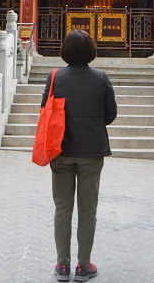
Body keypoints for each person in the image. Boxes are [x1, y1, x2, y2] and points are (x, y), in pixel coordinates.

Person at [42, 29, 117, 282]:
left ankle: (63, 266)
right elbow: (110, 115)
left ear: (65, 50)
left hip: (60, 151)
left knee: (62, 209)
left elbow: (44, 111)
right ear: (90, 51)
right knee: (88, 210)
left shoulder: (55, 77)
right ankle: (84, 266)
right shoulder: (102, 78)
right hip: (92, 151)